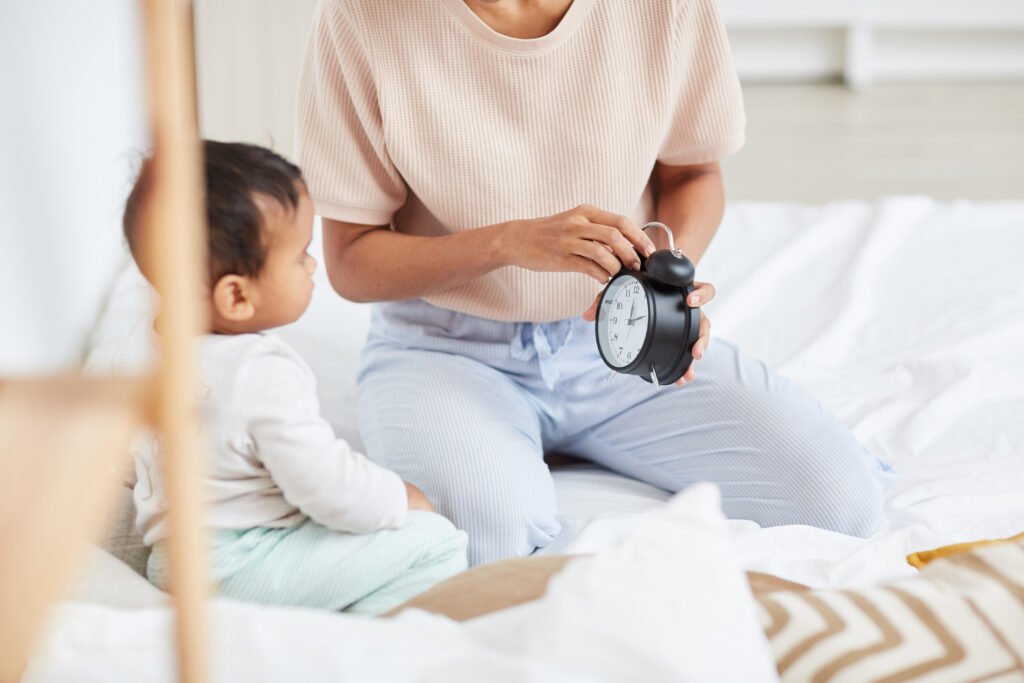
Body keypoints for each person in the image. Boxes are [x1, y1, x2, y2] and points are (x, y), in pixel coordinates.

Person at [296, 0, 887, 565]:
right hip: (446, 350)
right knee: (484, 541)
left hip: (618, 336)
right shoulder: (362, 15)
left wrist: (658, 283)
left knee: (839, 501)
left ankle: (546, 442)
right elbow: (351, 261)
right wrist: (508, 243)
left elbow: (694, 173)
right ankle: (502, 443)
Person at [122, 141, 468, 614]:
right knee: (438, 544)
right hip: (241, 563)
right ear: (236, 298)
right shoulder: (261, 373)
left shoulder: (148, 342)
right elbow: (325, 487)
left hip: (173, 559)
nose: (312, 265)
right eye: (301, 254)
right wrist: (399, 497)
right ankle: (351, 644)